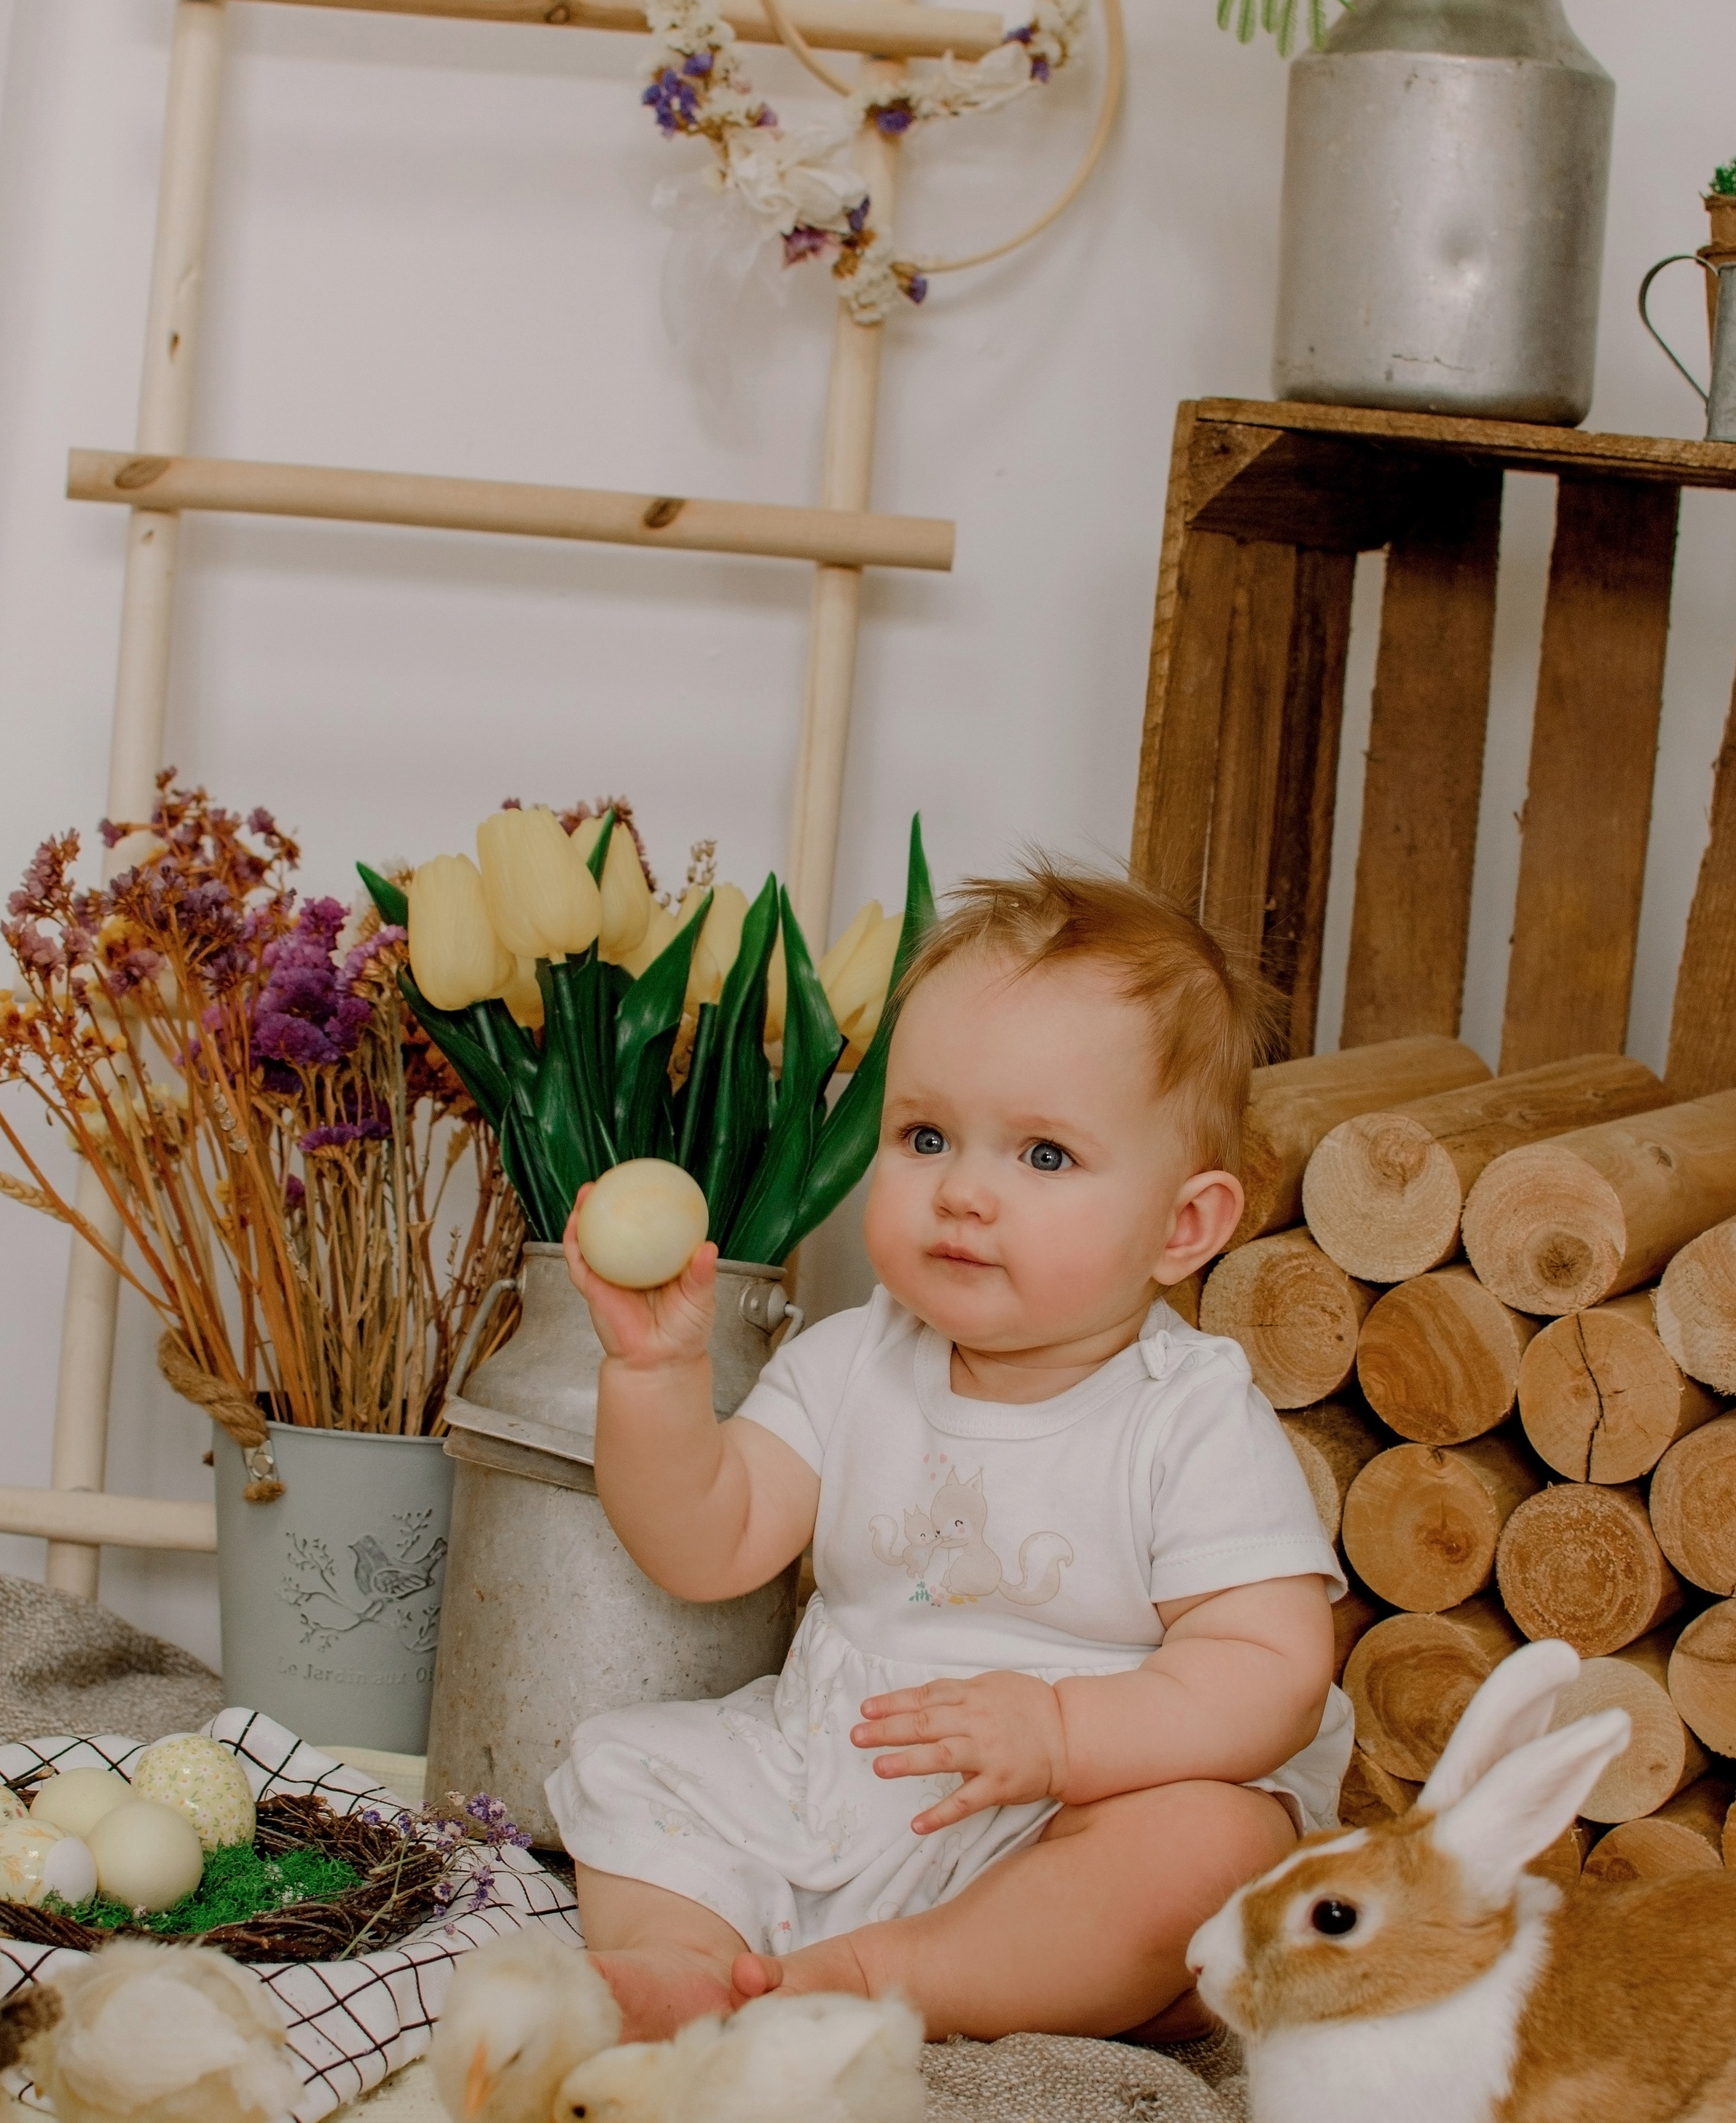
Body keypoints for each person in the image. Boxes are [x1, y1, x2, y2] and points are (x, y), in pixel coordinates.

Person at [549, 860, 1351, 2045]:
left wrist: (1067, 1737)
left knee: (1213, 1844)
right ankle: (688, 1966)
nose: (963, 1193)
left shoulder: (1184, 1417)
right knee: (637, 1776)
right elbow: (706, 1544)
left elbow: (1270, 1671)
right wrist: (656, 1376)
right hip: (841, 1771)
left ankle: (880, 1977)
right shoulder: (850, 1361)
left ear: (1183, 1227)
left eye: (1041, 1157)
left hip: (1068, 1815)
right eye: (925, 1136)